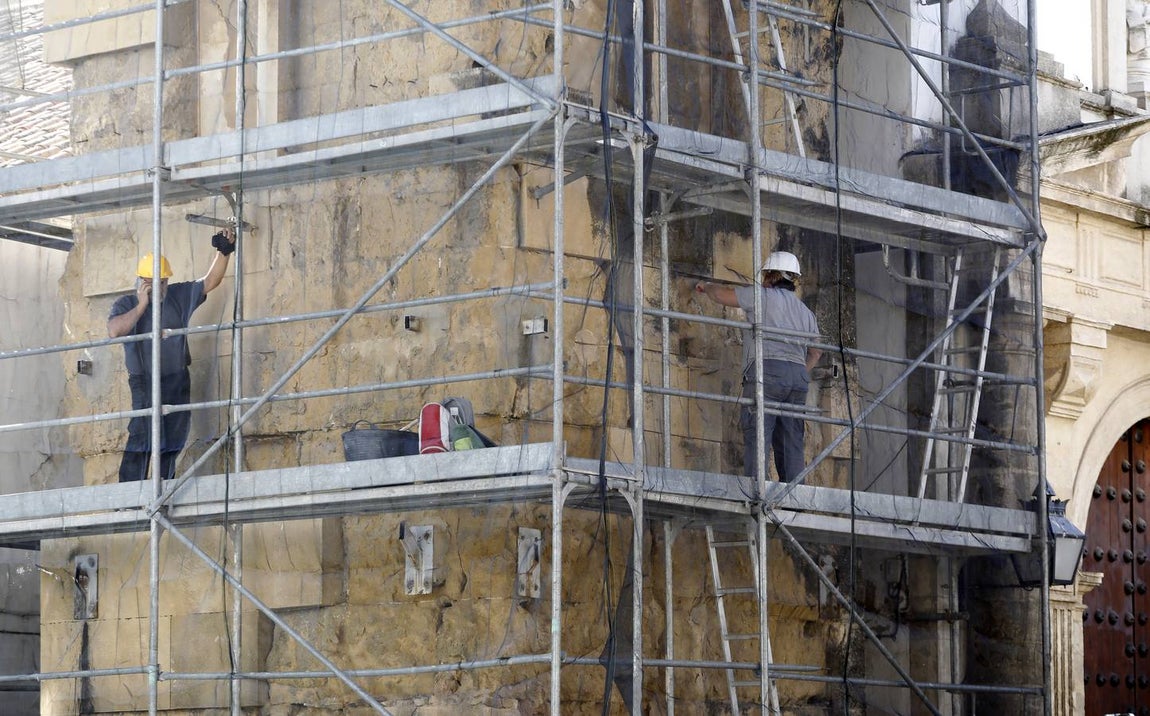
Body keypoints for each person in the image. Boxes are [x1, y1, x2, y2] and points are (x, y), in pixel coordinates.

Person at [107, 229, 236, 482]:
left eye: (163, 282)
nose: (160, 287)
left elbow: (210, 281)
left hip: (176, 377)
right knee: (143, 432)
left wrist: (224, 252)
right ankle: (128, 494)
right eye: (154, 283)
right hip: (144, 380)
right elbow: (114, 331)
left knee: (175, 433)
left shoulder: (176, 296)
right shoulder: (125, 304)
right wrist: (142, 304)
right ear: (142, 281)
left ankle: (164, 488)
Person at [696, 250, 822, 482]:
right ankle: (795, 498)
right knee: (791, 438)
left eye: (765, 274)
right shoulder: (806, 312)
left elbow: (722, 296)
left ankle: (758, 493)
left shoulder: (761, 296)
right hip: (797, 377)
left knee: (759, 432)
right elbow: (816, 351)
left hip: (768, 371)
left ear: (772, 276)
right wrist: (799, 373)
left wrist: (707, 286)